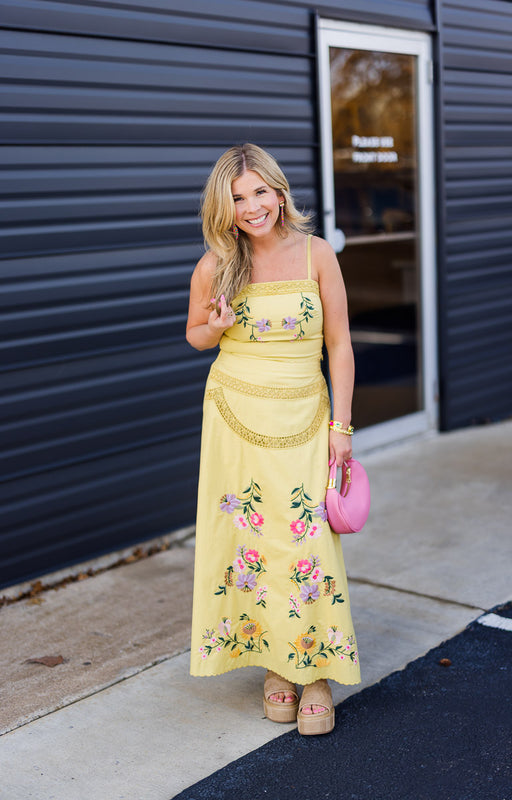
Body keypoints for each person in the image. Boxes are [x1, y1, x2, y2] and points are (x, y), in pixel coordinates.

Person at [186, 143, 360, 735]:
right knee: (252, 543)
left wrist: (342, 426)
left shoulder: (317, 254)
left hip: (307, 418)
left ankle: (316, 671)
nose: (251, 206)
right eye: (237, 198)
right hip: (234, 416)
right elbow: (195, 335)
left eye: (259, 191)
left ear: (279, 193)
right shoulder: (216, 264)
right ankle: (277, 667)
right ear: (225, 207)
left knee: (306, 544)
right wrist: (216, 325)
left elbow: (339, 343)